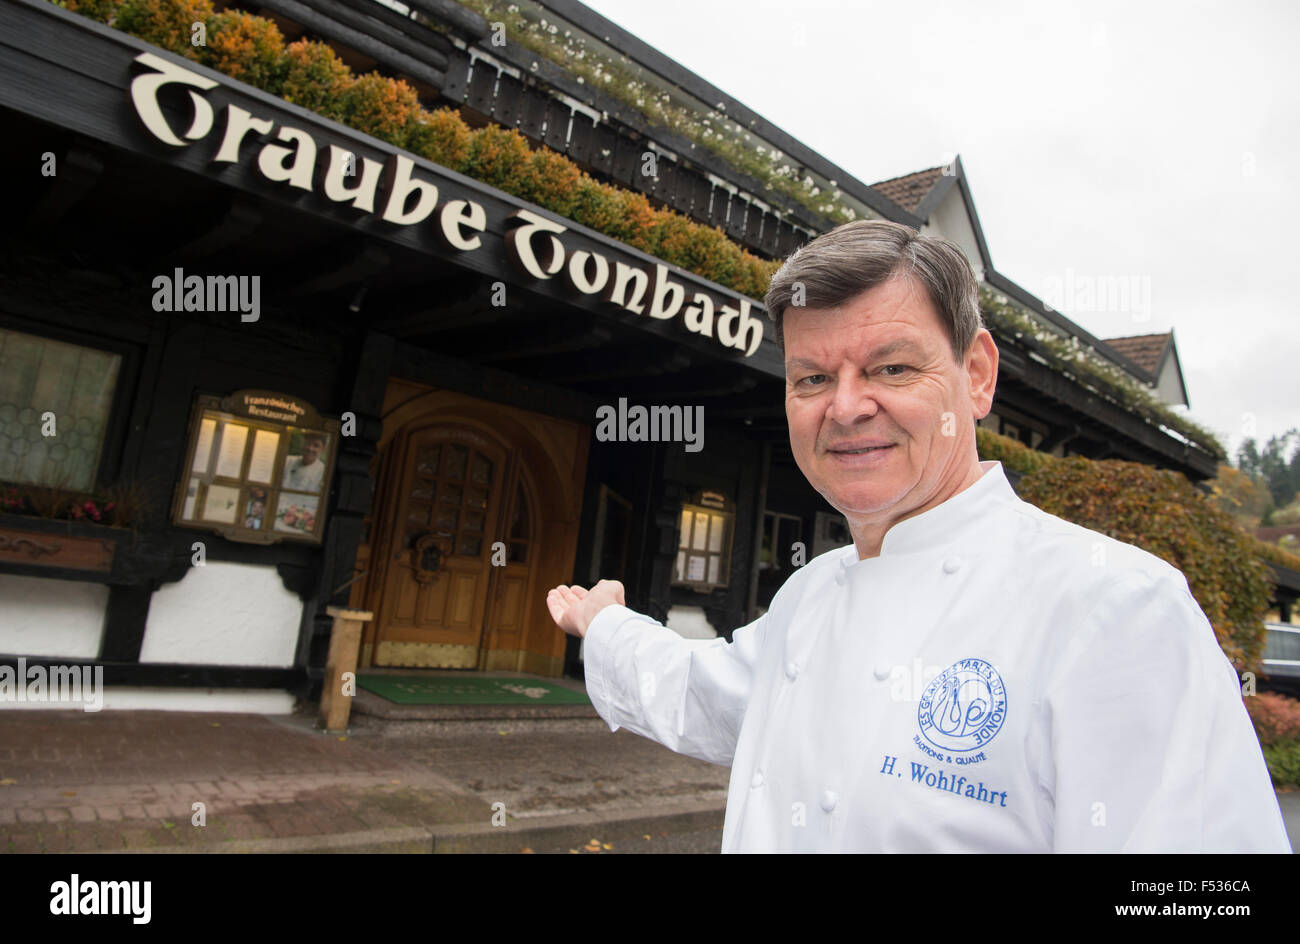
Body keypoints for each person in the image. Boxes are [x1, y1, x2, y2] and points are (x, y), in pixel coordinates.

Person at [547, 219, 1292, 854]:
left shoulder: (1118, 608)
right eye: (810, 378)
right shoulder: (811, 595)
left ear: (976, 375)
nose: (844, 407)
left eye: (891, 368)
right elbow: (702, 693)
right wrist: (603, 623)